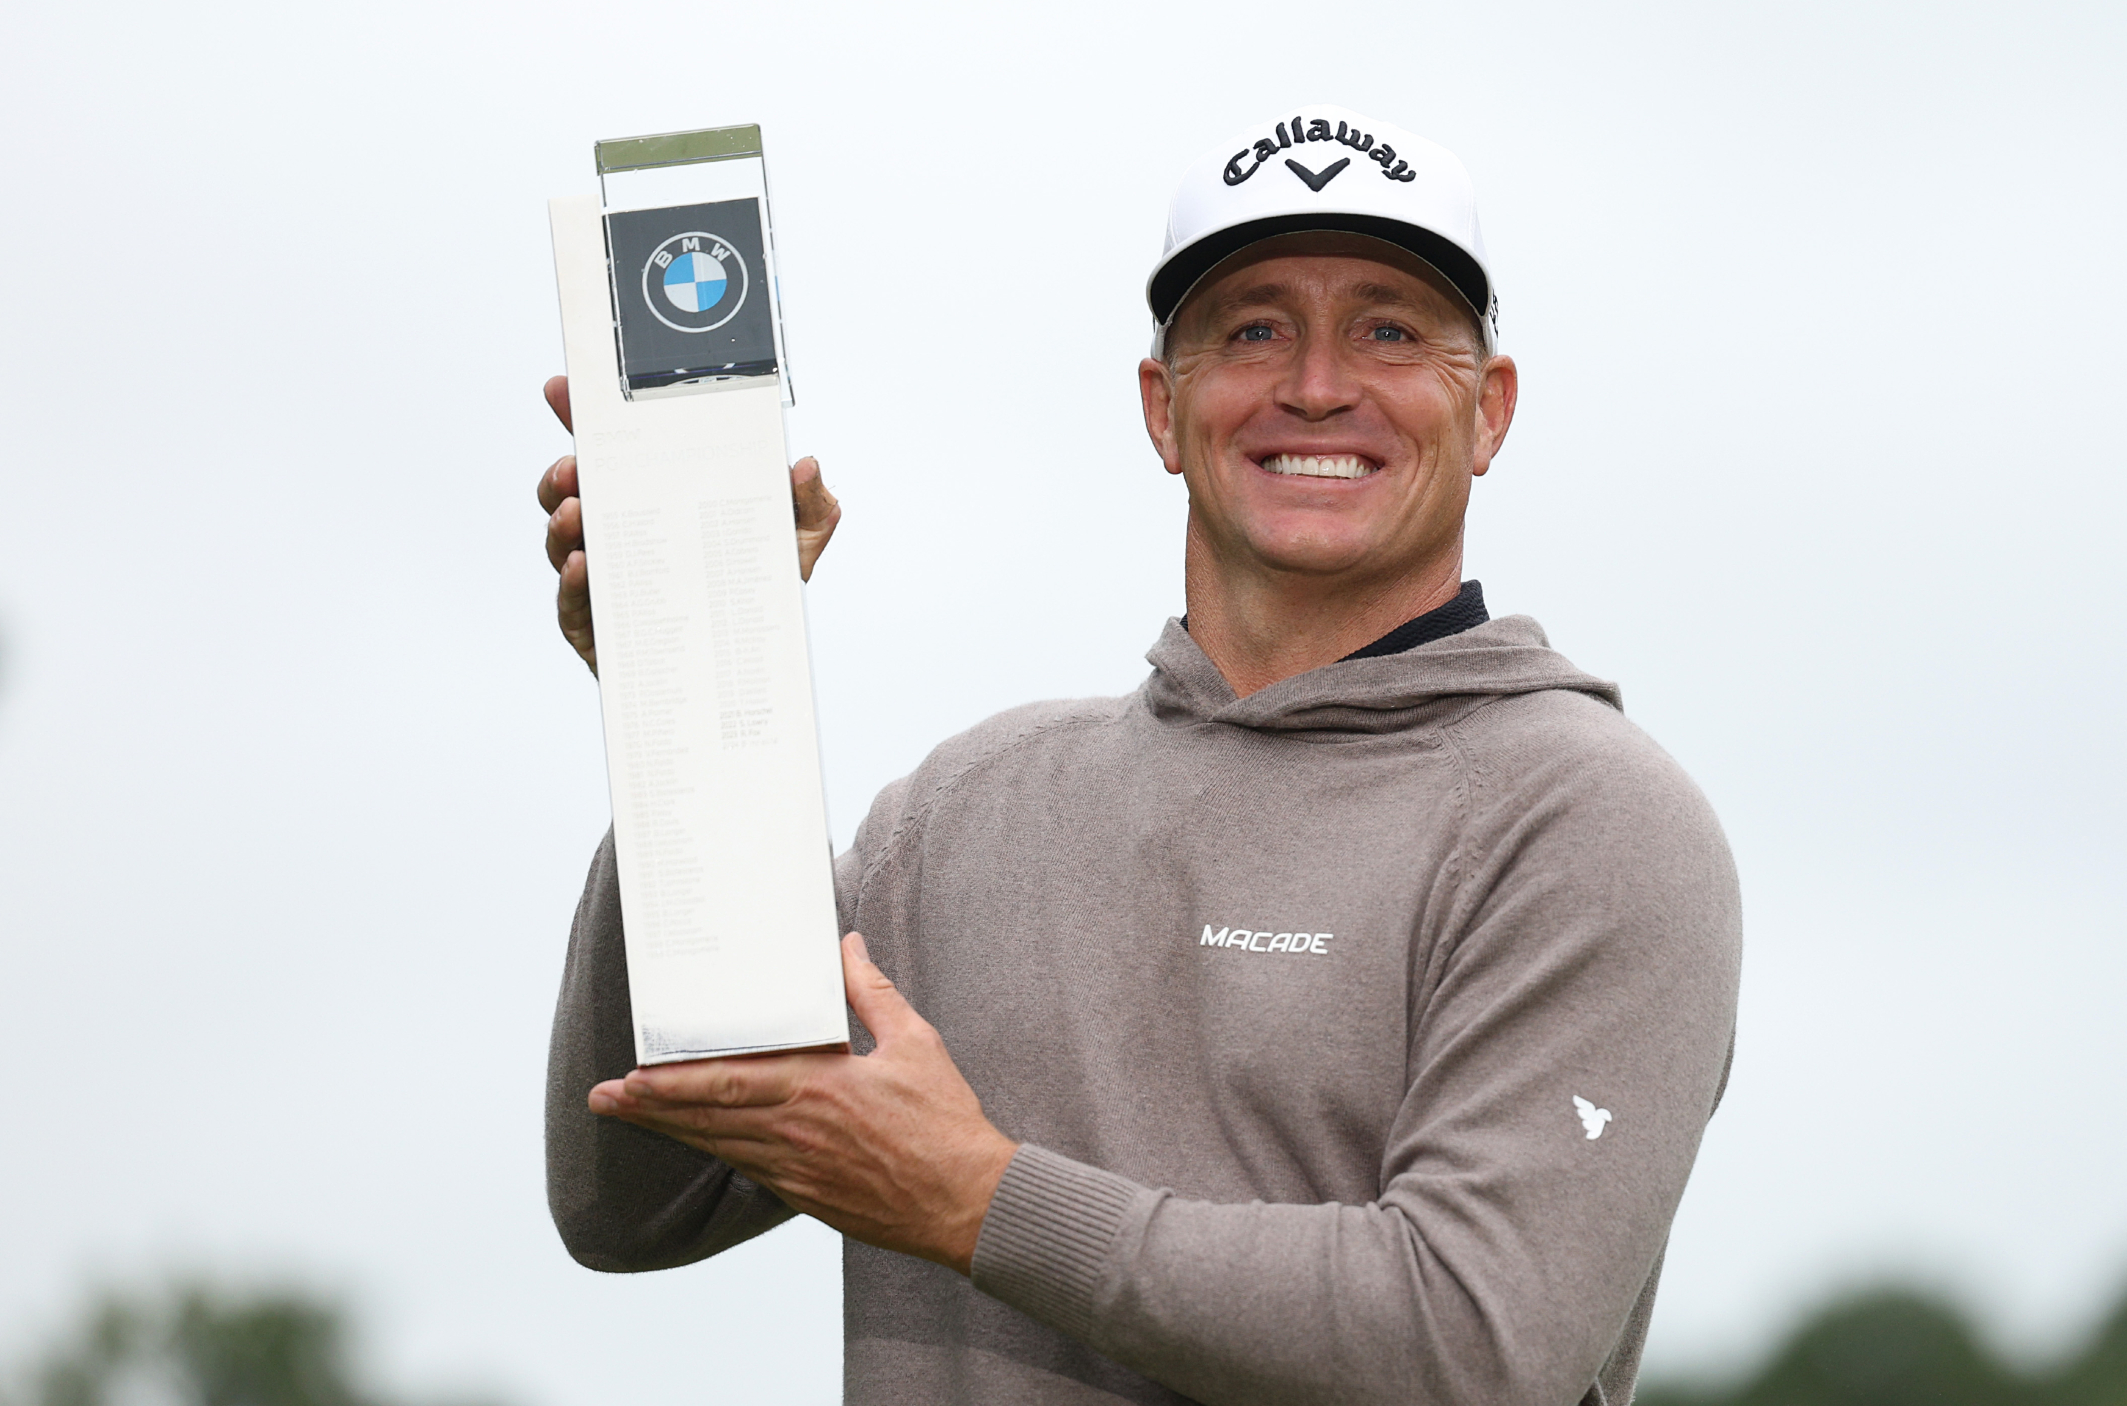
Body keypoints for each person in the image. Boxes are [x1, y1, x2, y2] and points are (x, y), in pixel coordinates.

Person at [534, 104, 1740, 1406]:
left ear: (1489, 411)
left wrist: (978, 1200)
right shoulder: (965, 813)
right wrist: (687, 690)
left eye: (1390, 328)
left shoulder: (1589, 823)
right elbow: (635, 1199)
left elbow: (1470, 1339)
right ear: (1164, 408)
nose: (1318, 383)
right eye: (1253, 327)